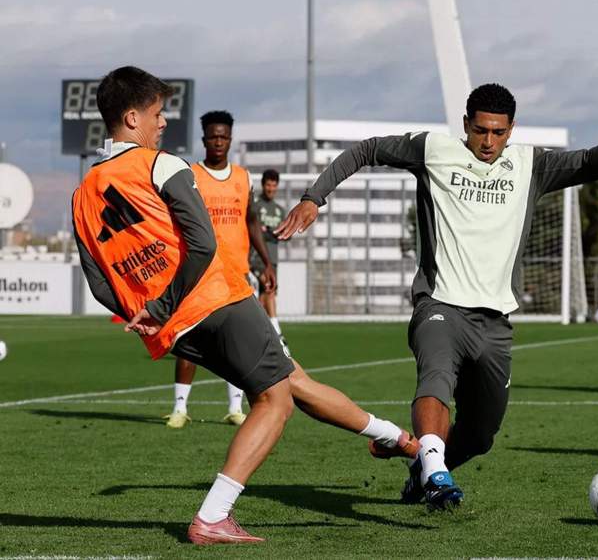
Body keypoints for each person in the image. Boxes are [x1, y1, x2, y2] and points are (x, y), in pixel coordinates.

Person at [73, 66, 417, 545]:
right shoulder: (163, 165)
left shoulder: (80, 196)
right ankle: (213, 516)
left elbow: (98, 282)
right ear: (131, 118)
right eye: (157, 114)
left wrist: (150, 311)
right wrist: (168, 299)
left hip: (178, 328)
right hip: (218, 300)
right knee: (275, 400)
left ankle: (395, 438)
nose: (163, 123)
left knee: (290, 379)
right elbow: (202, 244)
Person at [277, 83, 598, 509]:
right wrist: (313, 197)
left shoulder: (530, 165)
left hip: (495, 322)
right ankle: (434, 469)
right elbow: (367, 149)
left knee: (481, 435)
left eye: (499, 133)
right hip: (440, 306)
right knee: (435, 379)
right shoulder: (432, 149)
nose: (489, 142)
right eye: (481, 130)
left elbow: (589, 165)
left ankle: (421, 465)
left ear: (511, 130)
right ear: (466, 124)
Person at [164, 111, 277, 429]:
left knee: (238, 344)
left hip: (236, 275)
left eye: (223, 136)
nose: (218, 141)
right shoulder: (190, 175)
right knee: (190, 339)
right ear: (204, 139)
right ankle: (180, 408)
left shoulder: (243, 177)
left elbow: (252, 222)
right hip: (199, 274)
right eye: (213, 136)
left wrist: (266, 263)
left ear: (230, 139)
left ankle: (233, 407)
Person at [250, 169, 286, 330]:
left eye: (274, 185)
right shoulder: (256, 206)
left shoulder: (279, 210)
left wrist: (271, 231)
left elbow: (286, 234)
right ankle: (276, 332)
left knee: (266, 296)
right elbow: (252, 231)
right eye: (268, 185)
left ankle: (262, 331)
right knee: (266, 291)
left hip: (273, 260)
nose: (271, 188)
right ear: (263, 185)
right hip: (256, 259)